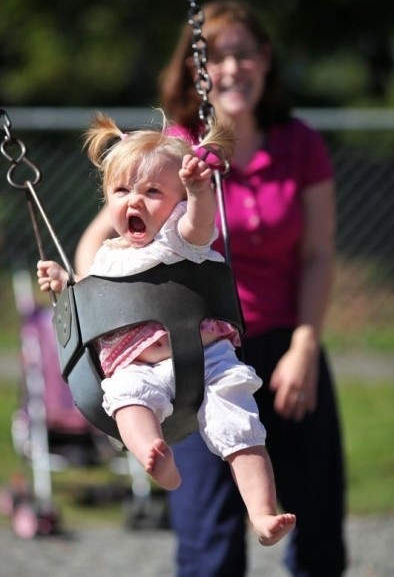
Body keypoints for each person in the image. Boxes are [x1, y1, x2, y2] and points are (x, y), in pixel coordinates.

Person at [74, 0, 347, 577]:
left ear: (265, 60)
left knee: (314, 522)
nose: (231, 69)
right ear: (195, 69)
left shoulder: (298, 144)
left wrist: (305, 345)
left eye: (243, 54)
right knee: (209, 538)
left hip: (285, 343)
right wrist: (101, 313)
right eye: (216, 57)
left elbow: (319, 253)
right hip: (189, 347)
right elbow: (98, 240)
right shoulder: (176, 152)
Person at [37, 111, 296, 546]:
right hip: (138, 365)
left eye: (152, 191)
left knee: (240, 426)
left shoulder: (178, 238)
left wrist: (198, 193)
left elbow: (200, 225)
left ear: (176, 203)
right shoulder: (108, 255)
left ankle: (262, 512)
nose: (134, 201)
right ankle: (155, 457)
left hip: (209, 360)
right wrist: (65, 284)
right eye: (121, 191)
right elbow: (93, 296)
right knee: (125, 399)